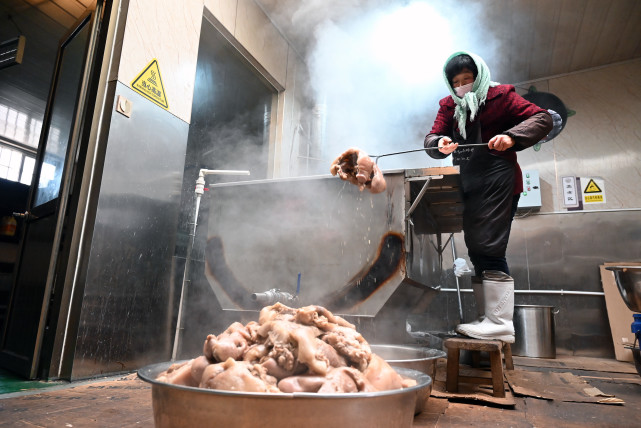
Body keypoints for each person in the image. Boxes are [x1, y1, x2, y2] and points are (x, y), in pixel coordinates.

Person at [424, 51, 553, 343]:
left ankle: (500, 323)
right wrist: (440, 143)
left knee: (489, 246)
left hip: (498, 178)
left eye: (467, 79)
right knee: (477, 248)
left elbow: (541, 118)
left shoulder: (500, 96)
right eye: (455, 82)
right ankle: (488, 319)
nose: (461, 86)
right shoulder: (448, 106)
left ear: (478, 76)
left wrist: (511, 137)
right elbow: (432, 137)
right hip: (468, 180)